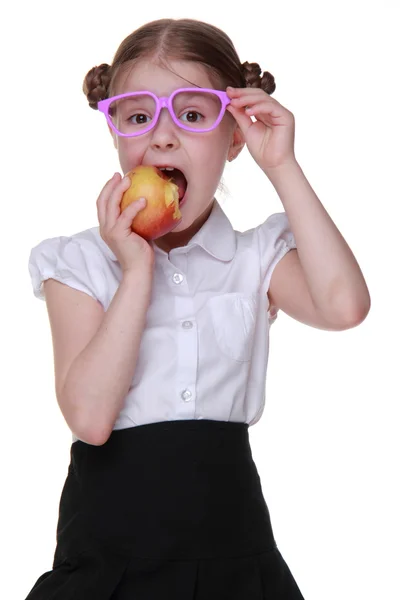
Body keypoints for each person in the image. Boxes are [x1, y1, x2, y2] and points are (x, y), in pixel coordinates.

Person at [24, 17, 370, 600]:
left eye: (191, 115)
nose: (161, 137)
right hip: (110, 553)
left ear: (234, 137)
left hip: (234, 549)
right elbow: (89, 418)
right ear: (116, 135)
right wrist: (136, 270)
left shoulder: (257, 257)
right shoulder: (77, 262)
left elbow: (345, 307)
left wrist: (280, 165)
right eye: (138, 117)